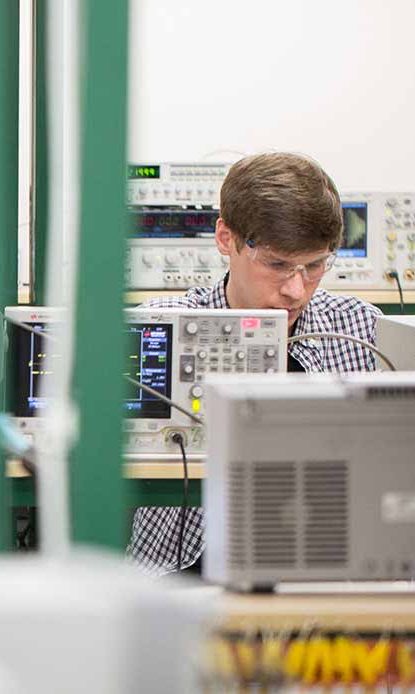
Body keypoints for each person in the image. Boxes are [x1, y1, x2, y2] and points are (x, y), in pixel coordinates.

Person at [130, 151, 383, 574]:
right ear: (226, 238)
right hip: (184, 569)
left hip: (328, 567)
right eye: (277, 264)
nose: (296, 290)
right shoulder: (161, 325)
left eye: (315, 265)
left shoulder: (363, 330)